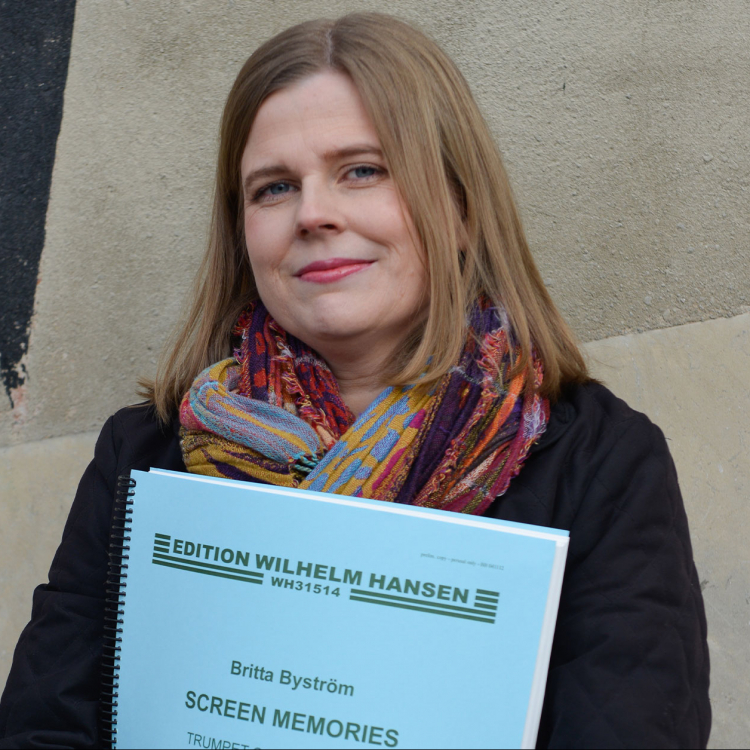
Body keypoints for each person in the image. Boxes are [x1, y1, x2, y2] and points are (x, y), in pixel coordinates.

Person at [0, 12, 709, 749]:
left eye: (362, 170)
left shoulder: (602, 462)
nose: (313, 214)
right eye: (274, 187)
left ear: (460, 208)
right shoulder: (145, 456)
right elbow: (44, 727)